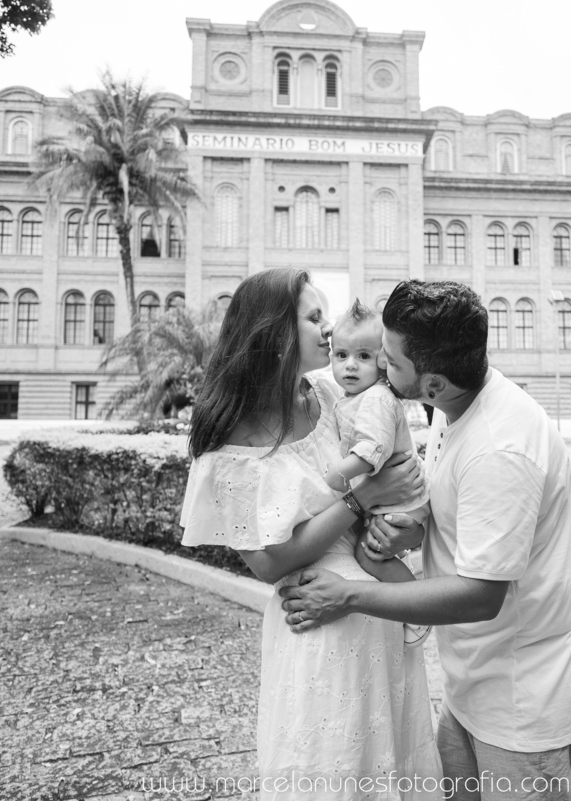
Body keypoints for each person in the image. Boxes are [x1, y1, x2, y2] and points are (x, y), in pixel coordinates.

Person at [280, 280, 571, 801]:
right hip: (471, 686)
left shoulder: (501, 448)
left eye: (391, 361)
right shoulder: (455, 408)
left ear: (433, 383)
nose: (380, 365)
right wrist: (414, 528)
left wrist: (348, 595)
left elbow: (481, 594)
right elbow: (461, 517)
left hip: (521, 703)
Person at [178, 268, 443, 801]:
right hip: (317, 630)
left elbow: (401, 478)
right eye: (315, 317)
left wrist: (399, 532)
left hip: (380, 617)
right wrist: (361, 497)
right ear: (275, 334)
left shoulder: (333, 395)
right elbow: (270, 563)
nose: (331, 330)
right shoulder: (230, 447)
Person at [325, 298, 431, 646]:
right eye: (341, 356)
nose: (350, 366)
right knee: (372, 551)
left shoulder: (376, 399)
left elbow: (371, 452)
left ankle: (418, 608)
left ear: (383, 361)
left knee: (369, 555)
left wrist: (339, 474)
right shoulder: (353, 397)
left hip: (400, 498)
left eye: (363, 357)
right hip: (391, 496)